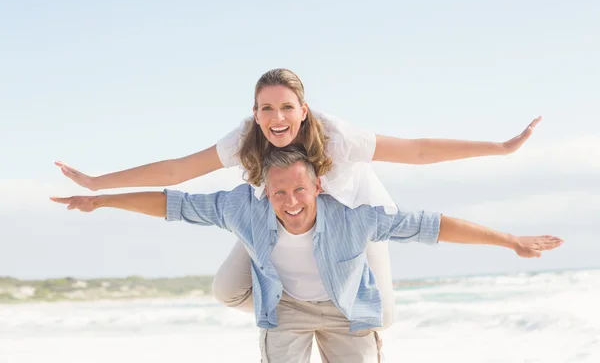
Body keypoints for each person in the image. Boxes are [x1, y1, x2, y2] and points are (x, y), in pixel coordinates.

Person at [54, 68, 542, 328]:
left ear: (303, 110)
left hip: (351, 228)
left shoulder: (336, 136)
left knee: (383, 317)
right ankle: (300, 307)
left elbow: (415, 150)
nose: (277, 117)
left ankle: (327, 303)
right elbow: (179, 171)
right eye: (267, 108)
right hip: (280, 221)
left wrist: (498, 147)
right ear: (256, 112)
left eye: (287, 107)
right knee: (227, 290)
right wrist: (100, 184)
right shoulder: (245, 138)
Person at [51, 145, 563, 363]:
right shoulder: (243, 207)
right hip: (287, 310)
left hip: (348, 312)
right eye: (278, 194)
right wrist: (103, 199)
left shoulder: (355, 215)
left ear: (318, 185)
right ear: (264, 192)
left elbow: (435, 226)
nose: (290, 203)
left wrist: (510, 241)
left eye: (299, 191)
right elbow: (172, 203)